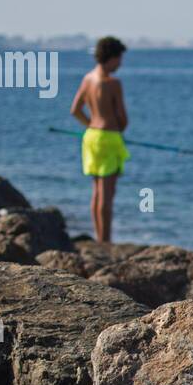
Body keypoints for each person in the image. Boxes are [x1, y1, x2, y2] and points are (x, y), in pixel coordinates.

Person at [71, 36, 129, 243]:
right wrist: (116, 130)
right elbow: (123, 118)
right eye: (119, 58)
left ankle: (99, 237)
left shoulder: (87, 79)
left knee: (96, 191)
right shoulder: (112, 83)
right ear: (111, 57)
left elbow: (75, 110)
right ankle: (106, 240)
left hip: (91, 136)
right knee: (107, 193)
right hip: (109, 137)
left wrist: (90, 125)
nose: (120, 63)